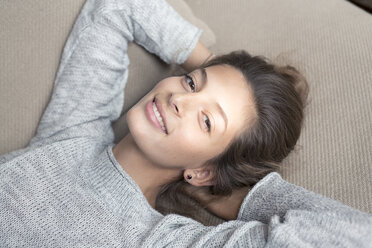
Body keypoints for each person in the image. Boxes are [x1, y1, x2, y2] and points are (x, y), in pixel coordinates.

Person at [1, 0, 371, 247]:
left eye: (207, 121)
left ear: (203, 171)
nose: (180, 99)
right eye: (192, 82)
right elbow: (119, 5)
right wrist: (209, 58)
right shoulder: (75, 129)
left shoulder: (160, 239)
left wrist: (247, 200)